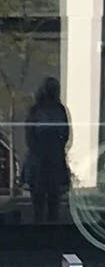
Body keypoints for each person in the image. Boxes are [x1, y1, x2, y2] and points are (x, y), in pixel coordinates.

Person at [23, 76, 70, 223]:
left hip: (51, 160)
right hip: (41, 160)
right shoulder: (38, 110)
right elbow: (30, 136)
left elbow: (66, 134)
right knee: (41, 204)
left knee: (52, 203)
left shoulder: (57, 109)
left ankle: (51, 236)